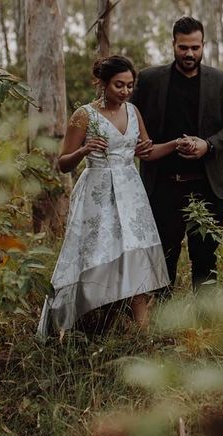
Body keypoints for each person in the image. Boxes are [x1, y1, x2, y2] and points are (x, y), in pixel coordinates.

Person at [37, 56, 181, 336]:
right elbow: (63, 163)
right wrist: (83, 150)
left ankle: (144, 337)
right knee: (94, 259)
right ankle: (75, 326)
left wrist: (175, 144)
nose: (125, 91)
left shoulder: (133, 111)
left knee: (134, 258)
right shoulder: (84, 115)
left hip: (131, 195)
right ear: (102, 83)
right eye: (119, 85)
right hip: (98, 194)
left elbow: (146, 152)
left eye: (130, 85)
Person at [130, 17, 223, 290]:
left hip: (208, 186)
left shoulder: (221, 81)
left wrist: (208, 145)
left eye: (195, 47)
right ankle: (163, 325)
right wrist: (136, 143)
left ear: (203, 45)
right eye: (183, 47)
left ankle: (205, 327)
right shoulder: (148, 79)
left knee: (206, 260)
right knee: (162, 259)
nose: (189, 53)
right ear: (173, 45)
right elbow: (128, 119)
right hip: (162, 187)